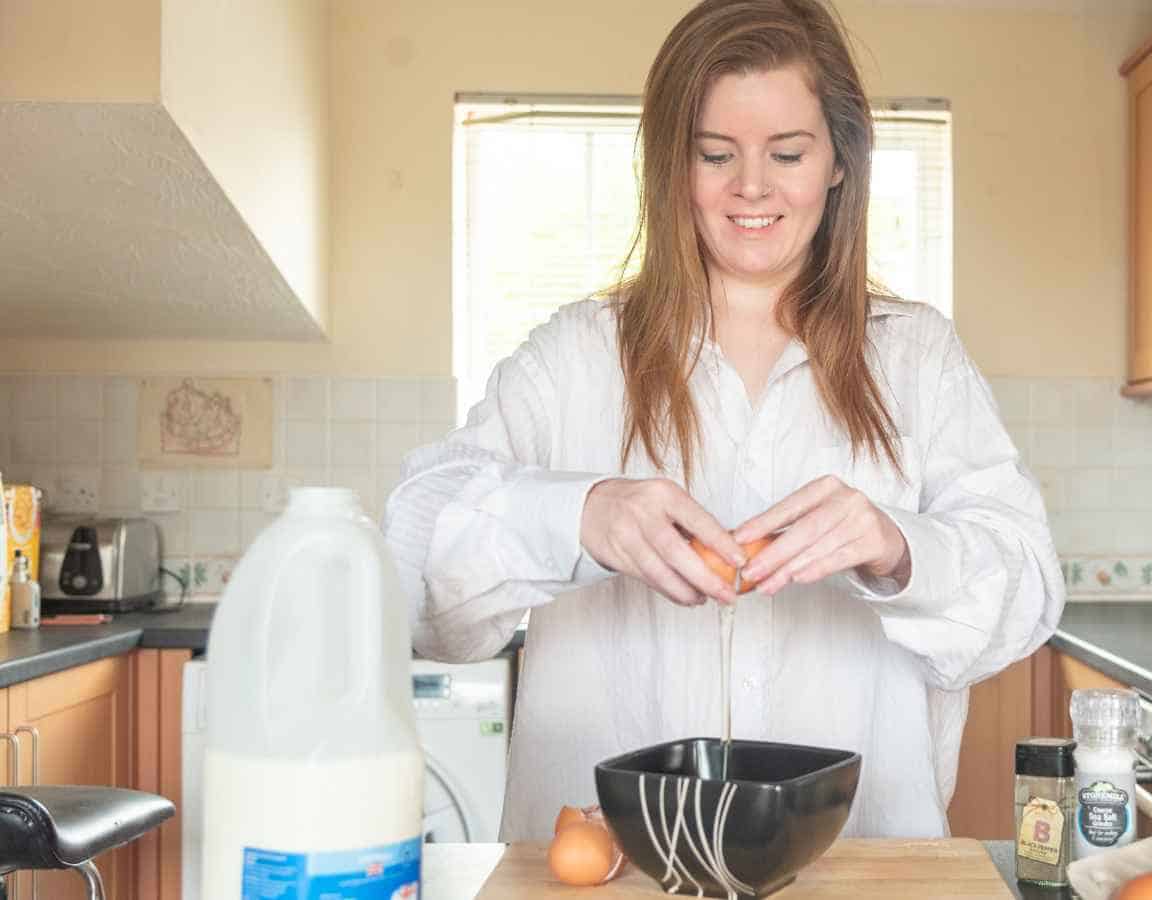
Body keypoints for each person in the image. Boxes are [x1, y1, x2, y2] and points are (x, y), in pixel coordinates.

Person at [383, 0, 1066, 840]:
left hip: (860, 869)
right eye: (716, 154)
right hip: (612, 874)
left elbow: (1028, 591)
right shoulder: (576, 355)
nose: (753, 186)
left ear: (839, 163)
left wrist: (898, 548)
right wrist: (580, 513)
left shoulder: (917, 357)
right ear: (675, 166)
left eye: (788, 152)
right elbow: (412, 566)